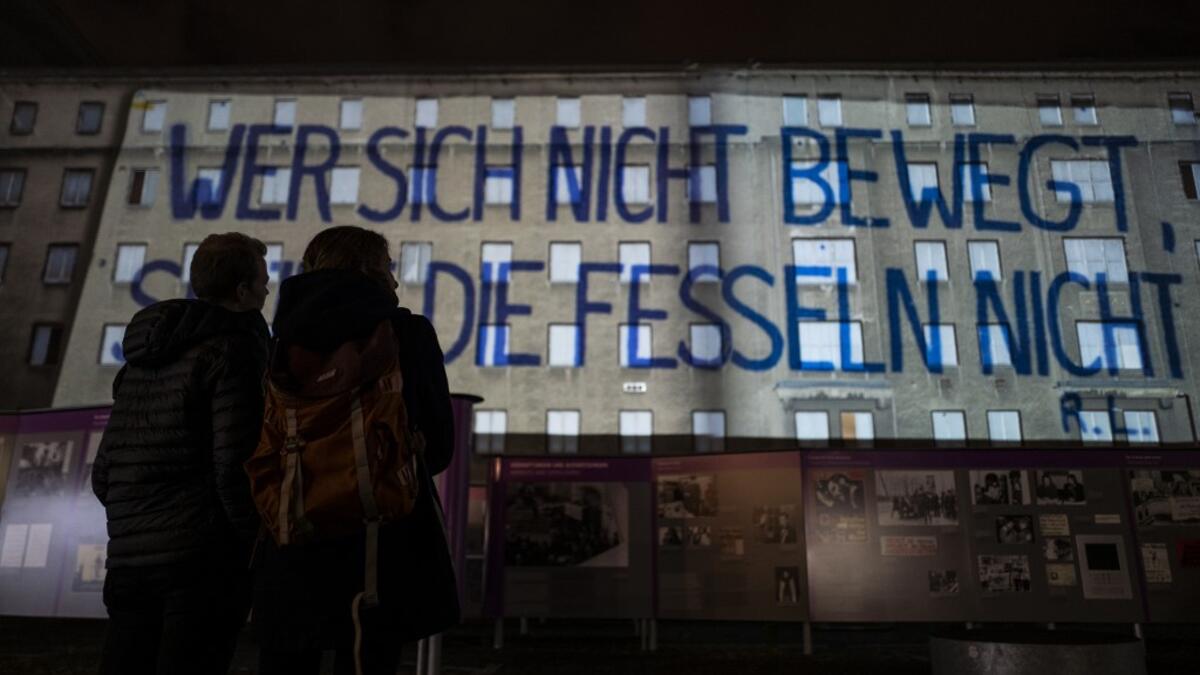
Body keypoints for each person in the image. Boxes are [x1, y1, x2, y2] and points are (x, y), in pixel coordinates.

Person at [252, 226, 458, 675]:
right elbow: (439, 446)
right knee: (369, 656)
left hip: (293, 529)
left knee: (288, 657)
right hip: (380, 541)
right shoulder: (408, 334)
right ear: (370, 270)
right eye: (388, 266)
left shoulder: (278, 346)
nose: (395, 280)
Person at [92, 233, 271, 675]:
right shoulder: (236, 349)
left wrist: (134, 521)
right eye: (264, 280)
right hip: (200, 561)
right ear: (243, 291)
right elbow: (235, 463)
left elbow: (104, 471)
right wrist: (256, 540)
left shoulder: (141, 358)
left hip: (129, 558)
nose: (269, 290)